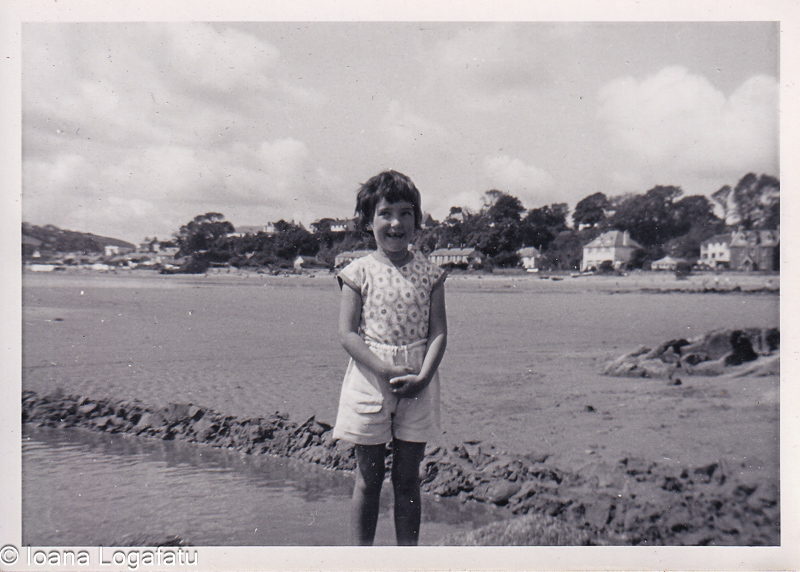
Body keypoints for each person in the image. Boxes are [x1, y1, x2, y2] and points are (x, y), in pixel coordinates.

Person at [333, 170, 448, 546]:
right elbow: (347, 334)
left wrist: (424, 377)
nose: (396, 223)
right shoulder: (357, 272)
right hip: (370, 378)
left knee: (408, 479)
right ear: (368, 222)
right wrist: (382, 368)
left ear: (418, 219)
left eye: (405, 213)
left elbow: (438, 333)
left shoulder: (431, 274)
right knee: (368, 478)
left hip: (419, 381)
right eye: (385, 213)